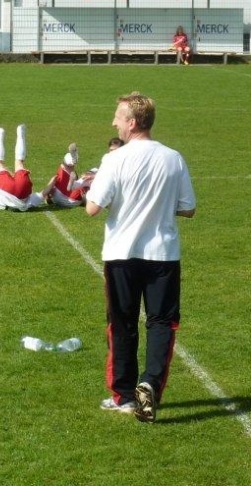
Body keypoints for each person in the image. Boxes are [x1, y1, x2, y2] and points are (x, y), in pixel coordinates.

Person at [86, 92, 196, 424]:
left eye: (117, 117)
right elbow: (188, 207)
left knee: (122, 323)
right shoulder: (173, 158)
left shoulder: (115, 159)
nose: (113, 122)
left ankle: (123, 395)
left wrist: (96, 189)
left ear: (132, 123)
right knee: (162, 322)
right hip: (162, 255)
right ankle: (149, 383)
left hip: (121, 254)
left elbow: (93, 207)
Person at [0, 124, 44, 212]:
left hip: (23, 191)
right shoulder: (0, 203)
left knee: (19, 161)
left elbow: (43, 193)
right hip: (7, 189)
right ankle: (0, 134)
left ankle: (20, 132)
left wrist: (54, 181)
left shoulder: (28, 204)